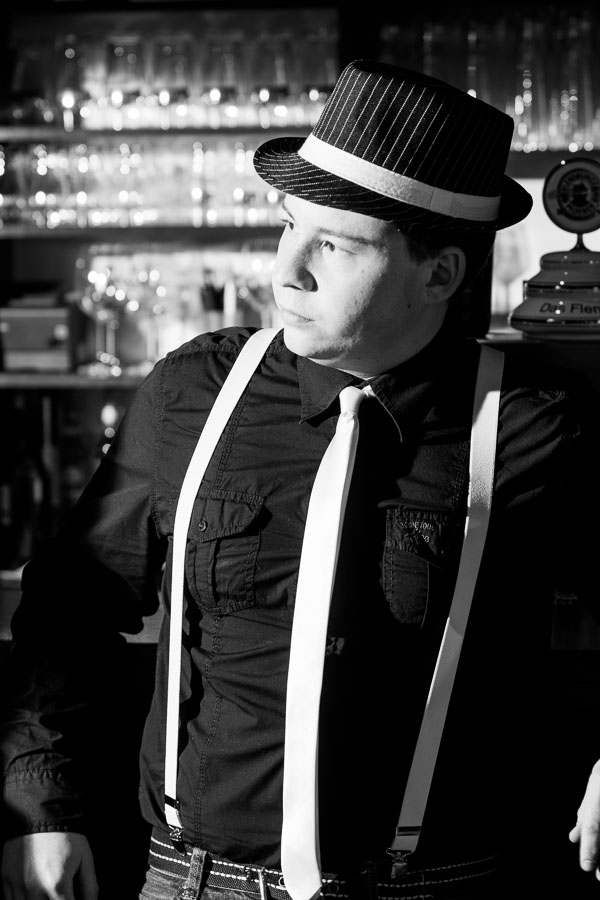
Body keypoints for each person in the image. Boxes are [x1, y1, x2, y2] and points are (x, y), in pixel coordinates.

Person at [1, 58, 599, 900]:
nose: (287, 270)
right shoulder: (194, 392)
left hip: (435, 885)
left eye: (336, 245)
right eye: (288, 226)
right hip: (196, 882)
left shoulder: (532, 425)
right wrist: (42, 806)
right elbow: (71, 605)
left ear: (438, 276)